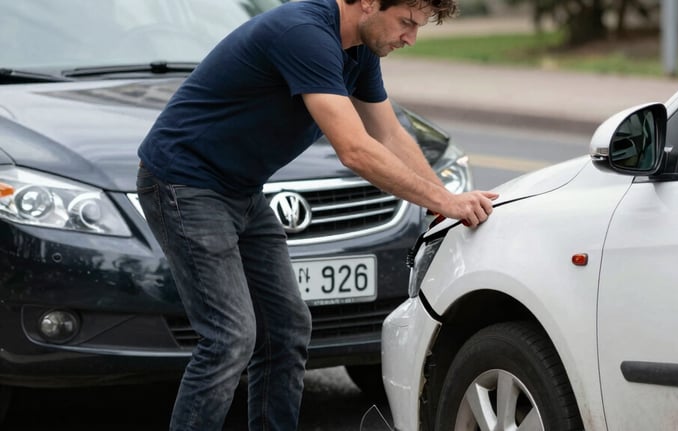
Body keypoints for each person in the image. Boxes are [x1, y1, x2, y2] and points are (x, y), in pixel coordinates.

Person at [135, 0, 498, 428]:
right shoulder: (304, 34)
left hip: (240, 190)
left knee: (286, 329)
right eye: (405, 22)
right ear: (368, 3)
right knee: (229, 337)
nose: (410, 38)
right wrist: (445, 202)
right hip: (184, 184)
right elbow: (355, 150)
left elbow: (388, 134)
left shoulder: (359, 48)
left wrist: (443, 201)